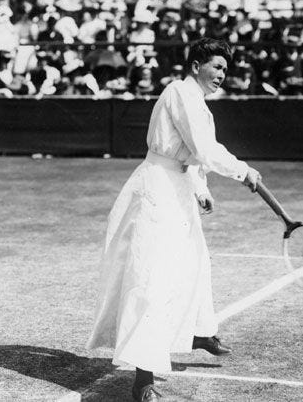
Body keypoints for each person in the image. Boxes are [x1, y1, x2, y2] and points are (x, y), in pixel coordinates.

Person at [87, 38, 261, 402]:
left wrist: (199, 188)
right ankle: (143, 379)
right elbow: (202, 148)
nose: (221, 76)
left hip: (177, 187)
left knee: (195, 264)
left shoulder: (196, 100)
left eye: (226, 70)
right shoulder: (181, 93)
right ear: (196, 65)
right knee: (151, 280)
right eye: (216, 67)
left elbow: (191, 157)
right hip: (156, 191)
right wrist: (243, 171)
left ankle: (197, 332)